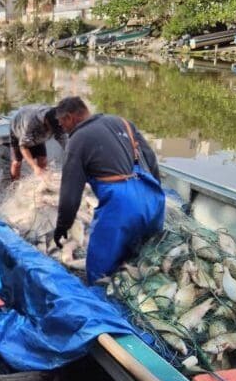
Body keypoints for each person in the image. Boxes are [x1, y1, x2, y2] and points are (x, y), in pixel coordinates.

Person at [52, 97, 165, 284]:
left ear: (70, 117)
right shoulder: (122, 122)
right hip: (153, 199)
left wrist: (62, 226)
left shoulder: (77, 140)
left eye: (61, 122)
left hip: (122, 207)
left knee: (99, 273)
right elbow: (150, 159)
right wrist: (155, 193)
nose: (61, 127)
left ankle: (103, 302)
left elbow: (70, 194)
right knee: (143, 259)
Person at [9, 104, 67, 180]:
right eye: (52, 129)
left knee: (43, 160)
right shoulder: (30, 124)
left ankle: (42, 182)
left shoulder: (58, 118)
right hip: (18, 129)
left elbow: (65, 144)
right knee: (17, 163)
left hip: (39, 133)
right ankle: (14, 185)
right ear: (46, 121)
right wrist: (34, 167)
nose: (54, 131)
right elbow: (23, 147)